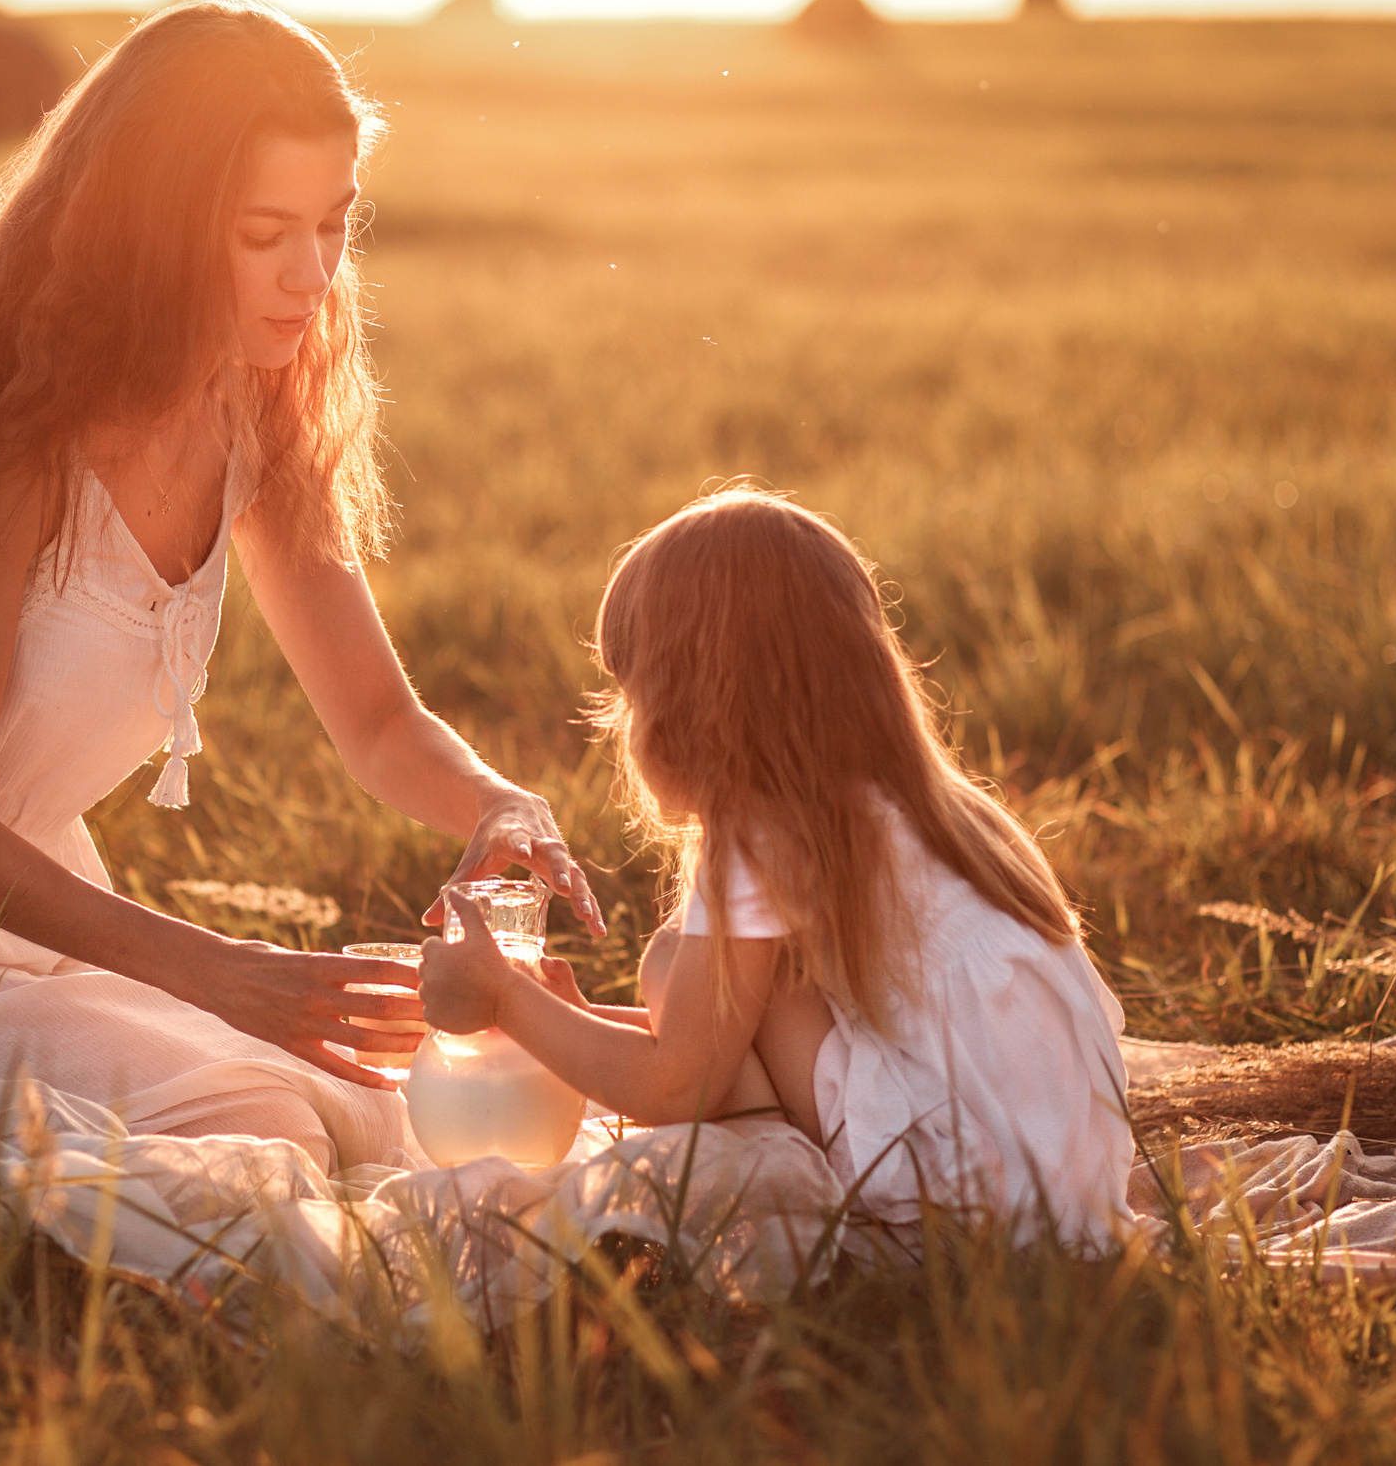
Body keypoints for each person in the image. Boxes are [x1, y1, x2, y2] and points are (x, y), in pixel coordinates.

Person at [0, 0, 596, 1172]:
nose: (312, 273)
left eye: (334, 224)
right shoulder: (3, 418)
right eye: (262, 233)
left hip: (13, 936)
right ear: (159, 223)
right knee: (278, 1120)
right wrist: (222, 972)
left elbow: (380, 722)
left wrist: (499, 803)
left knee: (383, 1106)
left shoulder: (252, 400)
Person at [420, 488, 1130, 1243]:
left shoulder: (760, 830)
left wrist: (503, 999)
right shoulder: (936, 809)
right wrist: (579, 1026)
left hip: (958, 1199)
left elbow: (679, 1083)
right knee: (712, 988)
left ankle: (786, 1197)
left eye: (631, 697)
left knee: (668, 964)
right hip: (1060, 1176)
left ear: (682, 707)